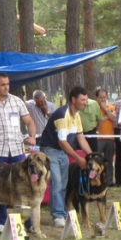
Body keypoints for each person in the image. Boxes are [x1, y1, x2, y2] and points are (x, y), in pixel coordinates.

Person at [0, 72, 37, 233]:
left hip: (17, 149)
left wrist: (32, 136)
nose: (6, 87)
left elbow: (29, 121)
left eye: (8, 84)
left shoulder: (17, 101)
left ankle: (27, 222)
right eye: (2, 84)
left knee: (25, 184)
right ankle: (1, 221)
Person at [39, 86, 92, 228]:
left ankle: (61, 213)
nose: (85, 102)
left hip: (62, 151)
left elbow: (81, 138)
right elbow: (62, 142)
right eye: (82, 99)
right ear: (73, 100)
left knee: (63, 183)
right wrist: (78, 158)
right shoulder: (63, 114)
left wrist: (91, 156)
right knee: (57, 182)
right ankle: (58, 216)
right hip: (50, 150)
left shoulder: (77, 116)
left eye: (86, 100)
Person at [95, 88, 117, 186]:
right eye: (101, 97)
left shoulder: (111, 107)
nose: (103, 99)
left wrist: (106, 110)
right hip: (98, 138)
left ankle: (109, 180)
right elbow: (95, 123)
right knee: (97, 160)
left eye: (104, 97)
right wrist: (105, 117)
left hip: (109, 138)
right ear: (96, 98)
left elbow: (114, 118)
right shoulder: (94, 108)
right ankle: (97, 179)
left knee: (109, 160)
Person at [113, 97, 121, 186]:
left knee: (119, 158)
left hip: (117, 131)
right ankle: (119, 180)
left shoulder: (115, 103)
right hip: (120, 131)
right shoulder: (120, 105)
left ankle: (119, 180)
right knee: (120, 157)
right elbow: (120, 122)